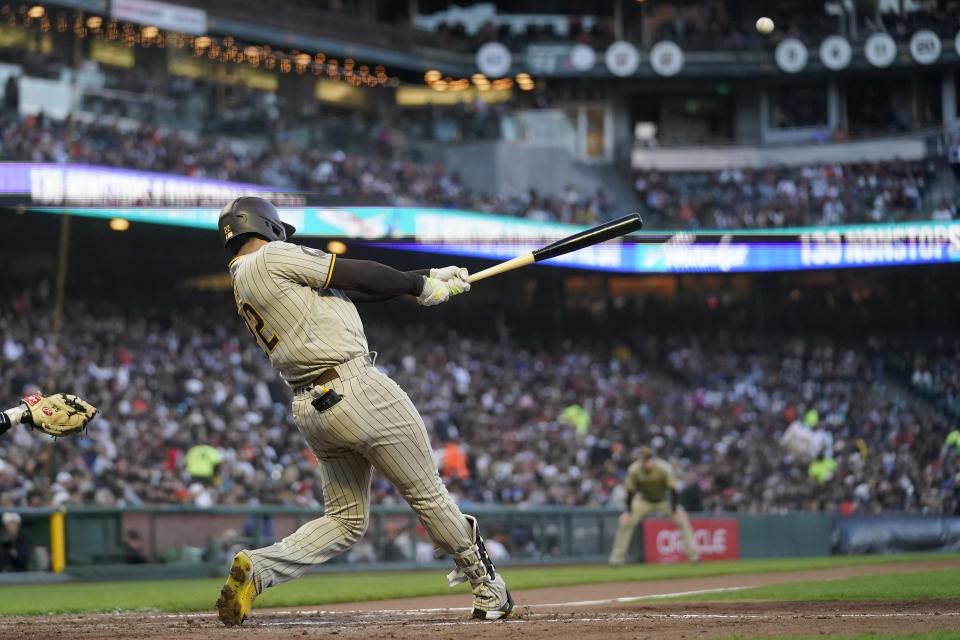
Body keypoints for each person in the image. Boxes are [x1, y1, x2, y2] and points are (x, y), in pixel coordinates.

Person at [213, 197, 513, 626]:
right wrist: (416, 285)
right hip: (356, 385)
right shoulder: (274, 254)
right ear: (267, 225)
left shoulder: (243, 277)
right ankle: (488, 589)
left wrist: (424, 279)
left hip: (311, 406)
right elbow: (350, 271)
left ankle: (259, 568)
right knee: (428, 494)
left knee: (344, 521)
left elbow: (349, 290)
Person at [608, 447, 700, 565]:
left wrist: (675, 509)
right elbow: (630, 492)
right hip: (643, 500)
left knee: (682, 519)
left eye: (649, 459)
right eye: (645, 460)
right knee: (625, 522)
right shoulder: (634, 469)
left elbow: (673, 491)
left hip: (663, 500)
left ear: (654, 458)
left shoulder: (664, 468)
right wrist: (629, 511)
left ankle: (694, 557)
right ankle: (616, 560)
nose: (647, 462)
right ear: (641, 460)